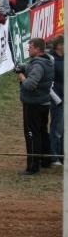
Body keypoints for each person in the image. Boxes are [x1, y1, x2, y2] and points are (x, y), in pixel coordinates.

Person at [19, 37, 55, 175]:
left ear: (38, 49)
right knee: (42, 132)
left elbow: (30, 85)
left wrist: (22, 77)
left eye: (31, 47)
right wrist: (25, 68)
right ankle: (45, 161)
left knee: (32, 135)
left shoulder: (38, 65)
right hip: (43, 102)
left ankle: (33, 166)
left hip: (33, 104)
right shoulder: (47, 61)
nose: (28, 49)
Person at [51, 36, 64, 166]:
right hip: (58, 100)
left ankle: (62, 154)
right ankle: (54, 156)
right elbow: (50, 84)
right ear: (59, 46)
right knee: (57, 128)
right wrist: (57, 100)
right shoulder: (52, 61)